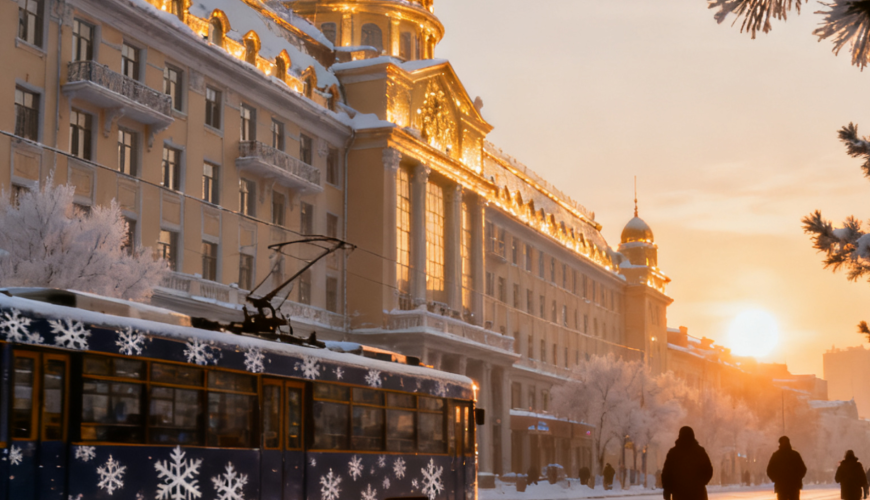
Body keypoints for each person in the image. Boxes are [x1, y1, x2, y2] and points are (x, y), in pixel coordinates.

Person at [661, 426, 713, 500]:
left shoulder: (673, 453)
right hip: (698, 493)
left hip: (679, 493)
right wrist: (700, 483)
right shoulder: (700, 452)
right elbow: (709, 471)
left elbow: (666, 474)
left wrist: (667, 490)